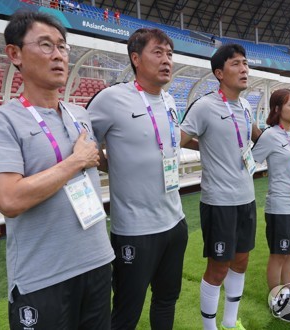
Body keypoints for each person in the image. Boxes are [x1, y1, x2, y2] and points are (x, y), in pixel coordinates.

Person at [0, 11, 115, 329]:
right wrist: (75, 161)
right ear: (15, 54)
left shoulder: (80, 114)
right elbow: (9, 199)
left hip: (97, 263)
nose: (58, 55)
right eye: (45, 45)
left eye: (62, 47)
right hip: (43, 278)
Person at [87, 28, 188, 330]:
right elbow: (81, 140)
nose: (167, 60)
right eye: (158, 52)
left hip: (175, 221)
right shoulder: (111, 99)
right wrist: (110, 164)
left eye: (169, 54)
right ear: (135, 58)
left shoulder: (170, 100)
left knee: (166, 300)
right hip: (134, 230)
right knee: (126, 312)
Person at [180, 44, 261, 330]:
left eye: (245, 63)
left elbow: (249, 141)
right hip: (219, 202)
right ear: (219, 73)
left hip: (246, 198)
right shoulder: (204, 106)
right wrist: (205, 146)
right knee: (218, 267)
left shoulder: (246, 105)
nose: (244, 69)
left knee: (241, 261)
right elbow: (179, 139)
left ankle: (230, 322)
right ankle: (209, 327)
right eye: (236, 64)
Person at [252, 89, 290, 322]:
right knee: (279, 253)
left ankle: (288, 296)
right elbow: (250, 162)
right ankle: (278, 301)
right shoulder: (270, 135)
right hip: (279, 205)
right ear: (277, 109)